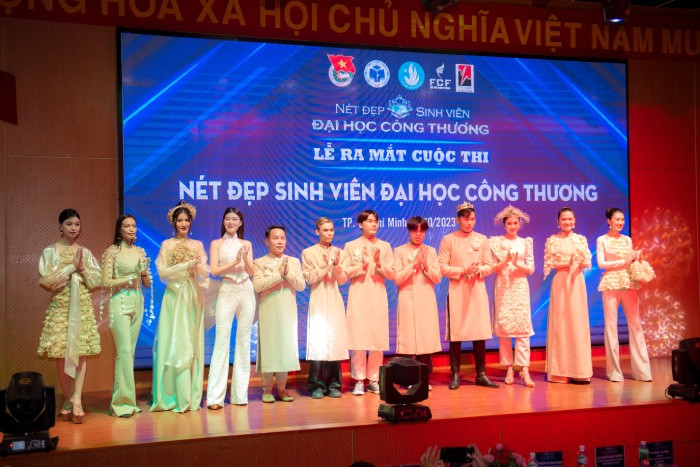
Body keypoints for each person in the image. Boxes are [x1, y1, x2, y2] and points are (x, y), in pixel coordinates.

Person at [37, 209, 102, 424]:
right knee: (61, 352)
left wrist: (82, 269)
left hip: (81, 305)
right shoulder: (50, 251)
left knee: (81, 352)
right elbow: (47, 280)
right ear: (60, 226)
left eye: (76, 224)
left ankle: (77, 399)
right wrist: (70, 268)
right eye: (69, 224)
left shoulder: (85, 252)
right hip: (61, 306)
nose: (73, 228)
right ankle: (67, 397)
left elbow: (96, 280)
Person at [151, 201, 210, 412]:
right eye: (179, 220)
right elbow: (162, 272)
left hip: (193, 295)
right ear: (174, 222)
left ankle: (190, 395)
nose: (183, 224)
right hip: (175, 295)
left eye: (186, 220)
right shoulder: (167, 244)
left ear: (191, 222)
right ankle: (171, 395)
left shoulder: (198, 245)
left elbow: (205, 272)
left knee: (191, 341)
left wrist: (197, 266)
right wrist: (183, 266)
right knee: (173, 340)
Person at [438, 202, 498, 389]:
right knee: (456, 333)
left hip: (477, 290)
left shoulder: (482, 239)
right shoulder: (448, 239)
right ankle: (455, 374)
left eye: (472, 219)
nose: (469, 222)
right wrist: (463, 270)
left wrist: (478, 270)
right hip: (458, 291)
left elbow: (490, 265)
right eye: (465, 219)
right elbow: (441, 267)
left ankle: (481, 374)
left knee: (479, 332)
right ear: (458, 220)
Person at [102, 214, 152, 417]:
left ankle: (124, 401)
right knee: (123, 352)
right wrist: (129, 278)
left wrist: (143, 273)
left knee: (128, 354)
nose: (131, 229)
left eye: (133, 226)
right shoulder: (112, 252)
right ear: (120, 229)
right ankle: (122, 403)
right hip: (120, 302)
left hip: (137, 302)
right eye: (126, 226)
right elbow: (106, 282)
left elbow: (147, 283)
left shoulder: (140, 251)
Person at [206, 207, 256, 409]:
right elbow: (215, 270)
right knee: (222, 341)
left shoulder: (246, 244)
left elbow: (251, 271)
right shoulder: (216, 243)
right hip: (227, 289)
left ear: (240, 222)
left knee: (243, 342)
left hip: (246, 290)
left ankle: (239, 395)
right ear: (223, 221)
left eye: (235, 219)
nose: (231, 222)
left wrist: (244, 259)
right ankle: (215, 398)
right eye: (227, 218)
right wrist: (234, 261)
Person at [596, 208, 653, 382]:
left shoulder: (627, 239)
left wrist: (636, 259)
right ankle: (614, 372)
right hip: (611, 283)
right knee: (611, 327)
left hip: (628, 282)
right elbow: (601, 263)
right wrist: (624, 261)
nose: (620, 222)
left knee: (636, 325)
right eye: (617, 219)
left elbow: (629, 262)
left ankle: (642, 371)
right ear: (609, 221)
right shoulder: (602, 240)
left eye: (622, 219)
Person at [344, 210, 395, 396]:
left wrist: (379, 263)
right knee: (358, 339)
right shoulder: (350, 246)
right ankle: (358, 380)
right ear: (360, 224)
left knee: (376, 340)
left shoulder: (385, 246)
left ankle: (374, 380)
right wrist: (363, 265)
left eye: (376, 221)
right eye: (370, 221)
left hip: (377, 297)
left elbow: (392, 274)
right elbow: (345, 273)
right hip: (358, 297)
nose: (374, 224)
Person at [253, 225, 305, 403]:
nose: (280, 241)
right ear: (267, 241)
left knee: (285, 348)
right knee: (269, 348)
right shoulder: (259, 262)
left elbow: (301, 286)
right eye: (275, 238)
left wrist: (287, 273)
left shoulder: (294, 261)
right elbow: (257, 286)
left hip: (287, 310)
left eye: (282, 238)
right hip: (268, 310)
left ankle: (282, 389)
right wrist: (277, 274)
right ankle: (267, 389)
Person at [301, 217, 349, 399]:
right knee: (319, 342)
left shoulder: (340, 253)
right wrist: (326, 264)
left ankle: (335, 384)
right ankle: (316, 385)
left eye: (331, 230)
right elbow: (310, 278)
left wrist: (335, 265)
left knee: (334, 342)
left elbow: (342, 279)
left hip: (335, 300)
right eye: (325, 230)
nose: (329, 233)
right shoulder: (308, 252)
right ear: (317, 232)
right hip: (318, 300)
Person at [543, 207, 593, 384]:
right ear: (558, 222)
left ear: (574, 220)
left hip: (576, 281)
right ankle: (560, 372)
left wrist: (579, 263)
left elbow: (587, 261)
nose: (567, 222)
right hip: (561, 281)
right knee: (561, 323)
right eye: (564, 219)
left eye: (570, 219)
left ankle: (580, 371)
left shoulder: (580, 239)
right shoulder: (552, 241)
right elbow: (550, 263)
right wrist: (568, 263)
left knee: (578, 323)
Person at [393, 216, 442, 389]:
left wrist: (426, 265)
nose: (418, 234)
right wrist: (413, 265)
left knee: (425, 340)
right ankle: (408, 379)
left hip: (426, 300)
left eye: (422, 231)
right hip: (407, 299)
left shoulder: (431, 251)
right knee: (408, 342)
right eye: (415, 230)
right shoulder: (399, 251)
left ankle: (423, 379)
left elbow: (437, 277)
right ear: (409, 231)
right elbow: (397, 279)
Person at [490, 206, 535, 388]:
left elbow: (531, 268)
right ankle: (508, 368)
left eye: (516, 223)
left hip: (520, 286)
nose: (513, 226)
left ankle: (524, 369)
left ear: (520, 224)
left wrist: (517, 264)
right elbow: (493, 267)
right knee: (505, 329)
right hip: (503, 286)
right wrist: (505, 262)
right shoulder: (496, 242)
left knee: (523, 329)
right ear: (504, 225)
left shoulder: (526, 242)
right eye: (509, 223)